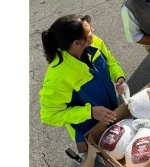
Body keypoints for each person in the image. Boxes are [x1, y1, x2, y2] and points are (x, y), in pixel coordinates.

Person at [39, 14, 128, 153]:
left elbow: (110, 61)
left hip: (111, 113)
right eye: (89, 31)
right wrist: (90, 112)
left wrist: (118, 77)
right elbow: (50, 115)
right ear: (77, 43)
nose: (93, 30)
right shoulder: (57, 77)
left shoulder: (94, 42)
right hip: (89, 132)